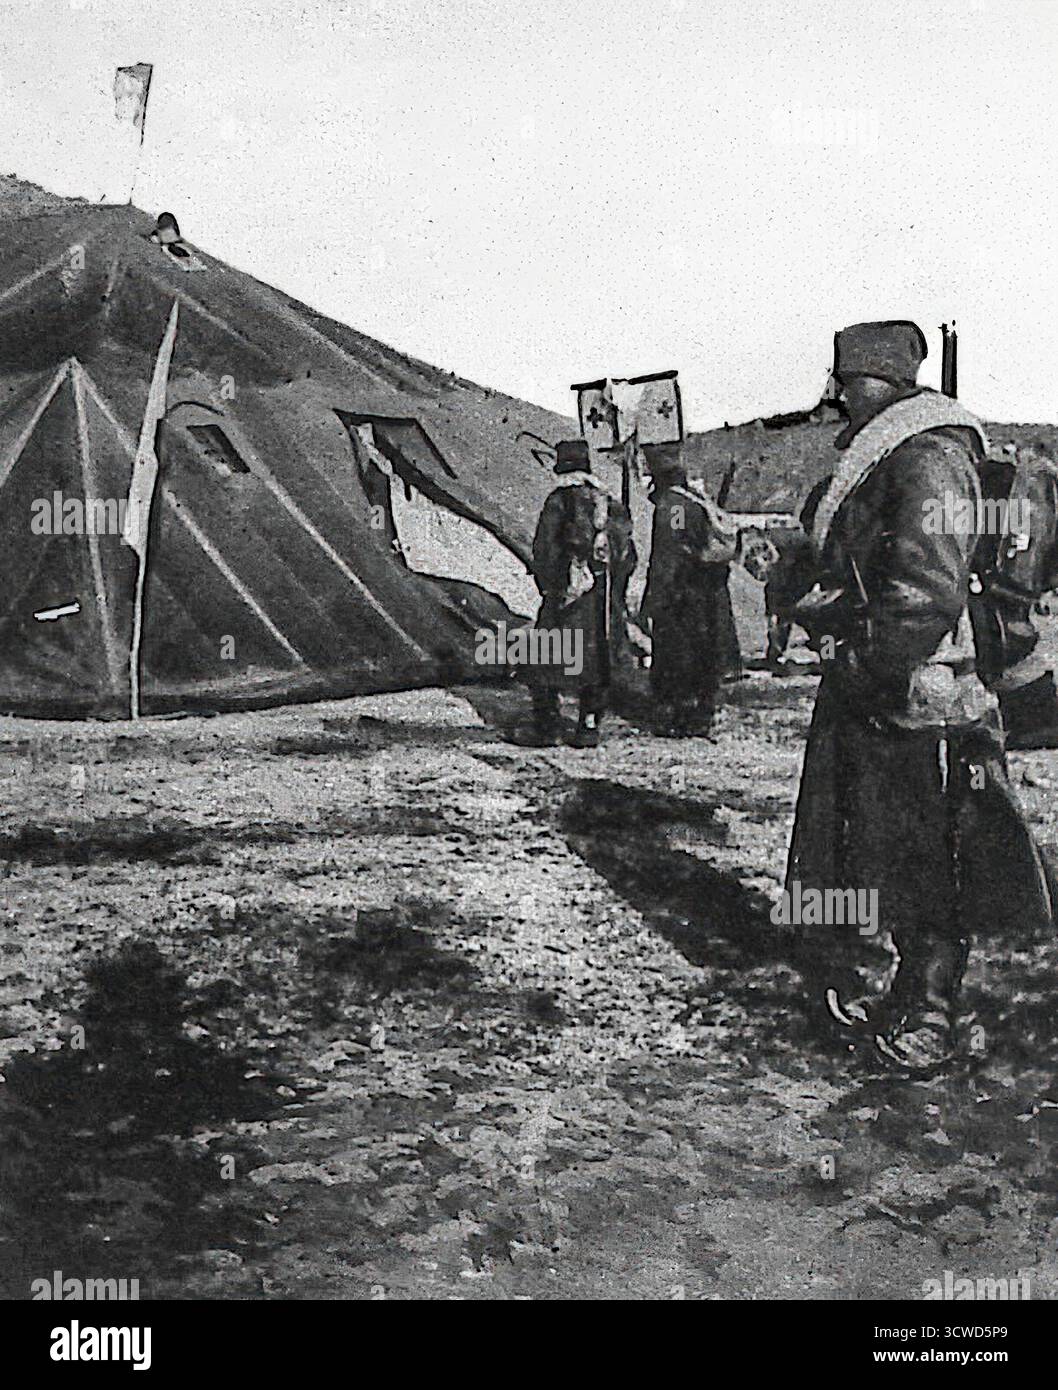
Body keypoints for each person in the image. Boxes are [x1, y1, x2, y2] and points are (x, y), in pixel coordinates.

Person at [786, 320, 1054, 1072]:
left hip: (923, 694)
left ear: (884, 381)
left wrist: (869, 656)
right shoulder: (891, 454)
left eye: (849, 379)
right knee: (885, 852)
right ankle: (908, 995)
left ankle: (933, 1016)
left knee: (931, 857)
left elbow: (926, 588)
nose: (838, 393)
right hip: (887, 687)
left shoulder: (927, 456)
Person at [521, 439, 636, 747]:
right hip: (602, 599)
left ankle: (546, 727)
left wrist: (551, 585)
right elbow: (629, 557)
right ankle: (588, 725)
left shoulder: (560, 501)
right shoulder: (610, 503)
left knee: (545, 658)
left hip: (569, 597)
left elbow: (544, 549)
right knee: (597, 661)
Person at [640, 445, 741, 735]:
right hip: (706, 592)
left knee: (680, 656)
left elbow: (670, 551)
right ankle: (703, 712)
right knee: (704, 653)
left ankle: (683, 718)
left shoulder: (673, 507)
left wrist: (654, 599)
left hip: (682, 595)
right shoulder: (696, 499)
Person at [969, 442, 1058, 746]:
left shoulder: (1029, 480)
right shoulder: (1036, 479)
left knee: (1004, 626)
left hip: (1012, 569)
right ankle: (1035, 717)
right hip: (1015, 556)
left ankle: (1037, 719)